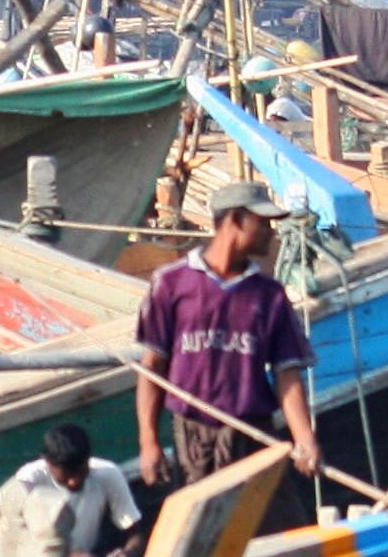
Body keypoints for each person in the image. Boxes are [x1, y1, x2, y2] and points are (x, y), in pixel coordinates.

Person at [136, 179, 321, 522]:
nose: (270, 232)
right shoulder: (171, 284)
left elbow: (287, 376)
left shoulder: (269, 296)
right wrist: (149, 441)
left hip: (254, 433)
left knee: (282, 526)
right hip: (195, 437)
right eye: (262, 222)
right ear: (235, 221)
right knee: (200, 529)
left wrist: (304, 439)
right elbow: (152, 368)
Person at [0, 420, 145, 557]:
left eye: (81, 472)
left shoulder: (107, 473)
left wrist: (129, 552)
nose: (74, 481)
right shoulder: (29, 482)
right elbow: (21, 544)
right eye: (65, 476)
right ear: (48, 463)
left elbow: (136, 533)